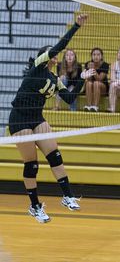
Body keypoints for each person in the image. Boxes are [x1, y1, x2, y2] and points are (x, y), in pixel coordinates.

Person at [8, 15, 96, 223]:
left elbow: (69, 98)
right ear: (45, 57)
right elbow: (59, 46)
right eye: (52, 55)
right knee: (32, 165)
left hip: (37, 118)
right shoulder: (37, 67)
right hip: (19, 119)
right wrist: (76, 26)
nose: (56, 58)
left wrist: (82, 81)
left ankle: (67, 196)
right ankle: (35, 206)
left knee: (55, 156)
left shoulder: (55, 80)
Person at [84, 47, 109, 112]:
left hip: (102, 88)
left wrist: (93, 69)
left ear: (101, 56)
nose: (96, 56)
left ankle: (95, 106)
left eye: (98, 55)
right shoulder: (88, 64)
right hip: (91, 87)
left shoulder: (105, 65)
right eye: (94, 55)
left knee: (96, 83)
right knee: (88, 83)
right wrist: (89, 70)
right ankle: (89, 106)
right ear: (91, 56)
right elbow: (88, 79)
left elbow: (100, 79)